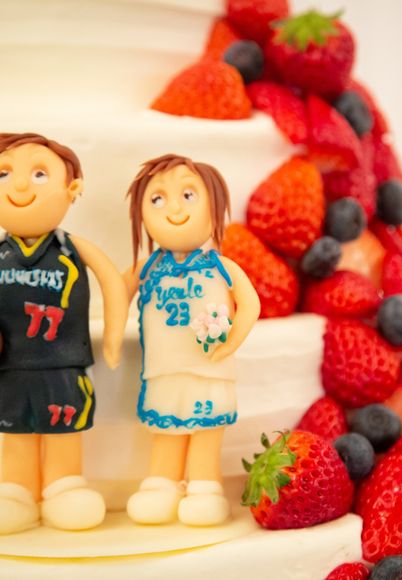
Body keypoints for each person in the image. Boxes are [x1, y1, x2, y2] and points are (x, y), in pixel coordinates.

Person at [0, 133, 127, 533]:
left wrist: (112, 338)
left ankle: (63, 487)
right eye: (4, 173)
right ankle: (16, 492)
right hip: (10, 366)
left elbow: (112, 282)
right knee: (16, 434)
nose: (21, 185)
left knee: (63, 431)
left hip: (63, 363)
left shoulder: (72, 248)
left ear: (73, 189)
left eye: (39, 173)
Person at [124, 154, 260, 526]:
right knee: (167, 429)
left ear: (216, 207)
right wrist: (113, 328)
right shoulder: (149, 268)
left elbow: (250, 304)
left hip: (209, 370)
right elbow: (118, 289)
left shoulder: (220, 267)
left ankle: (205, 487)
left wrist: (231, 342)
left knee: (204, 433)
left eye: (188, 195)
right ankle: (161, 485)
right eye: (158, 198)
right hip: (164, 370)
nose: (174, 208)